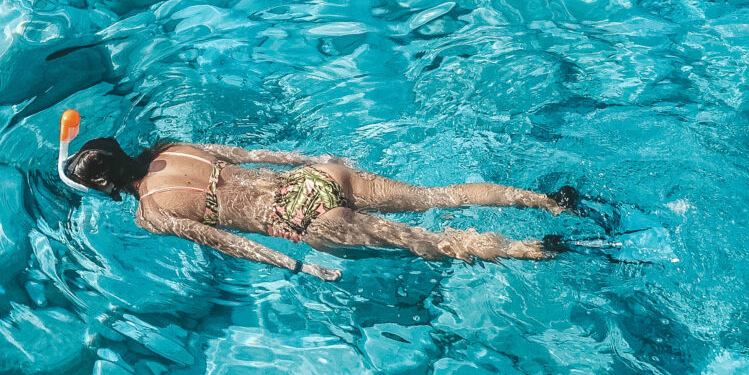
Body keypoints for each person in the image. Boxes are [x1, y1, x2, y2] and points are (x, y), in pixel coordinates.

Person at [62, 134, 577, 281]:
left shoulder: (151, 215)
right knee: (436, 198)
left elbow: (229, 243)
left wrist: (297, 263)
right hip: (316, 176)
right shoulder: (170, 147)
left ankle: (532, 250)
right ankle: (548, 203)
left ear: (106, 185)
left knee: (431, 244)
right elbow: (255, 155)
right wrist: (318, 161)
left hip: (303, 220)